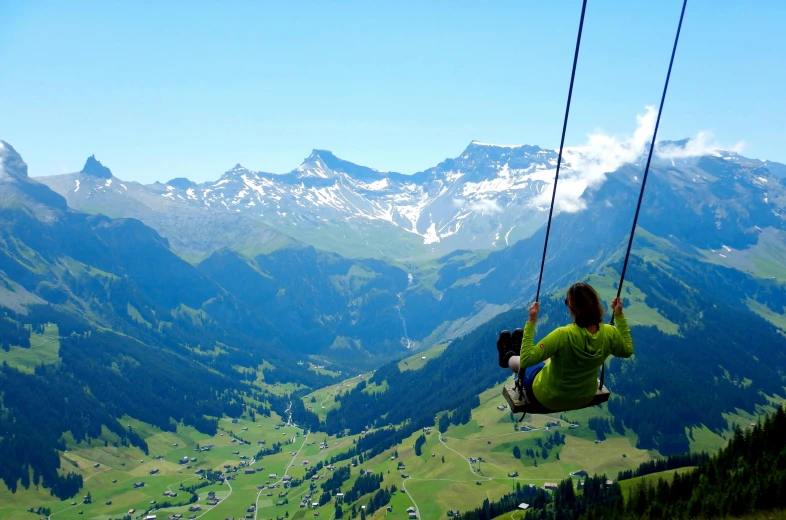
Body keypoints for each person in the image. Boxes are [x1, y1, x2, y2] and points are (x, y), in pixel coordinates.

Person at [497, 283, 634, 412]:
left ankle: (508, 356)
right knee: (551, 358)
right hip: (584, 397)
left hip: (548, 397)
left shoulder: (563, 335)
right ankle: (516, 352)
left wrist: (531, 322)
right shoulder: (610, 333)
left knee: (525, 362)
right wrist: (619, 316)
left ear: (572, 307)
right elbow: (627, 350)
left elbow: (527, 360)